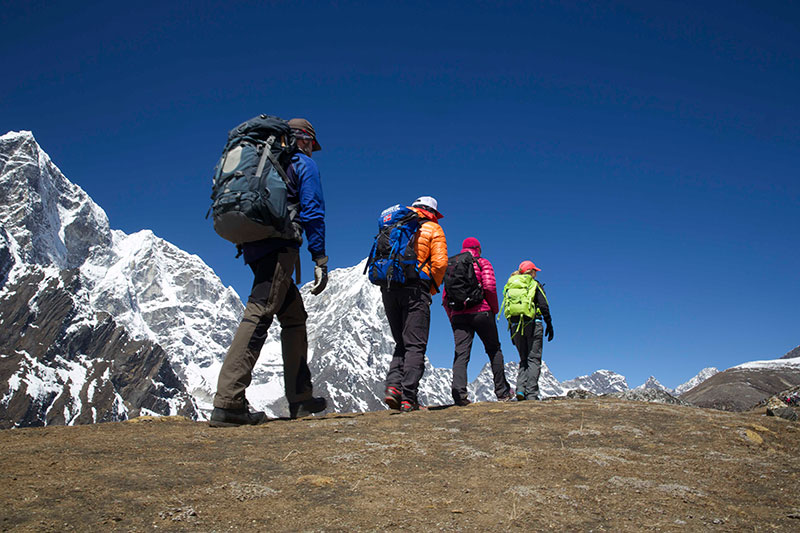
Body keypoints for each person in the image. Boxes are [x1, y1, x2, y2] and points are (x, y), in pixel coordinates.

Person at [210, 118, 329, 427]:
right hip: (280, 243)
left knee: (293, 316)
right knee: (260, 311)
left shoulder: (264, 161)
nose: (312, 151)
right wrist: (319, 257)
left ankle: (300, 397)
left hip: (253, 243)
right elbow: (313, 210)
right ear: (303, 140)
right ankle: (229, 401)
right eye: (311, 145)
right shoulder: (301, 164)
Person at [382, 196, 448, 412]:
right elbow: (439, 263)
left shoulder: (393, 223)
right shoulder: (433, 228)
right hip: (415, 290)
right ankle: (408, 398)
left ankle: (393, 387)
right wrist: (431, 287)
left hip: (389, 288)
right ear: (433, 212)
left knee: (400, 342)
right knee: (415, 345)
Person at [442, 237, 513, 405]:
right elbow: (489, 287)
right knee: (494, 349)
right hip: (482, 312)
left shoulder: (451, 265)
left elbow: (445, 297)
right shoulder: (483, 262)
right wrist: (493, 309)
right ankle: (502, 392)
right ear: (478, 249)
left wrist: (452, 316)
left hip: (458, 314)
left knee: (461, 353)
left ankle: (459, 394)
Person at [503, 260, 553, 401]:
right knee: (534, 359)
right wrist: (549, 324)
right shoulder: (534, 285)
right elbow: (543, 306)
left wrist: (512, 331)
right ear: (531, 272)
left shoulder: (511, 285)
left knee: (523, 359)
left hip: (515, 326)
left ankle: (520, 390)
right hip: (533, 324)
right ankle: (531, 394)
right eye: (535, 271)